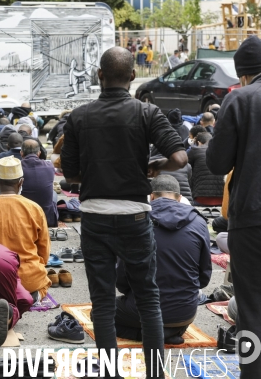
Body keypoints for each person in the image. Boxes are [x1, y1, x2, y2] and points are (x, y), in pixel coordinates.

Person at [60, 46, 187, 378]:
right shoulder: (148, 113)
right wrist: (155, 165)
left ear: (99, 76)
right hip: (135, 216)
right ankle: (156, 374)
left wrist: (99, 173)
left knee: (102, 303)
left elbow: (70, 174)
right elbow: (179, 159)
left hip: (95, 216)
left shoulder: (79, 116)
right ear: (132, 76)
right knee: (148, 299)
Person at [206, 36, 261, 375]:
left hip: (252, 218)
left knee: (252, 308)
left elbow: (216, 162)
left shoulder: (240, 99)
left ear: (242, 75)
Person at [115, 175, 211, 344]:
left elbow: (122, 278)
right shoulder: (199, 222)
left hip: (142, 309)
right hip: (184, 314)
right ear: (180, 198)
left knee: (100, 313)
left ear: (151, 196)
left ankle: (149, 335)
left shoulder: (136, 221)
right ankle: (169, 332)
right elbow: (204, 278)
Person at [0, 156, 51, 302]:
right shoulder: (34, 208)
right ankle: (29, 297)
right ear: (21, 182)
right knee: (42, 283)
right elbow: (44, 252)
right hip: (27, 281)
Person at [20, 139, 58, 227]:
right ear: (39, 153)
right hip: (46, 219)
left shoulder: (16, 167)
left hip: (23, 217)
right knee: (54, 193)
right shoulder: (49, 166)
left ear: (21, 153)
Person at [188, 132, 224, 206]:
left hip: (200, 198)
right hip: (222, 199)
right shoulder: (223, 151)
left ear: (198, 142)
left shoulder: (195, 150)